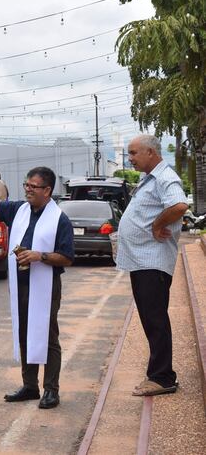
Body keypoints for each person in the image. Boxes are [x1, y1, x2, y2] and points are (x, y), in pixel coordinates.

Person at [0, 167, 74, 409]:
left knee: (48, 335)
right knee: (24, 333)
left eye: (34, 186)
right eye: (26, 184)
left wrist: (40, 256)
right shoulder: (18, 209)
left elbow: (67, 257)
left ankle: (52, 389)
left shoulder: (59, 219)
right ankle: (30, 386)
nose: (28, 189)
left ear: (47, 190)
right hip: (20, 283)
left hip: (46, 285)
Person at [116, 134, 188, 397]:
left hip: (153, 262)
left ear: (150, 152)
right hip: (142, 261)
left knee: (155, 319)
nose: (130, 158)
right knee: (151, 318)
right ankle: (160, 374)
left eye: (134, 153)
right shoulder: (150, 179)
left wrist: (157, 224)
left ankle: (162, 377)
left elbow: (179, 205)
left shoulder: (165, 177)